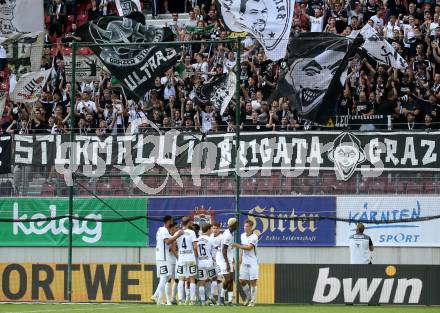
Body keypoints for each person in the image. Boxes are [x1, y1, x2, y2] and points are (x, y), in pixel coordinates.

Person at [154, 216, 184, 305]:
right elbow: (167, 242)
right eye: (171, 221)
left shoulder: (163, 230)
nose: (172, 222)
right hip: (163, 257)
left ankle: (159, 299)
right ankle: (156, 296)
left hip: (162, 257)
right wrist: (177, 235)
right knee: (165, 278)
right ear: (168, 221)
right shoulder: (163, 230)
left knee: (166, 277)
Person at [176, 216, 198, 305]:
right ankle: (192, 300)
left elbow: (174, 245)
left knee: (181, 278)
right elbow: (195, 246)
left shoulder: (178, 232)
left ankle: (180, 299)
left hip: (181, 258)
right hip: (191, 258)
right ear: (188, 223)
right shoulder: (192, 232)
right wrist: (196, 255)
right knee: (192, 278)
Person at [216, 217, 237, 306]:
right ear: (233, 225)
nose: (238, 225)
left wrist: (232, 259)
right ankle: (220, 299)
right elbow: (224, 250)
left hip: (228, 258)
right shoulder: (228, 235)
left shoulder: (230, 233)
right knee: (228, 279)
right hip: (223, 259)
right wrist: (227, 263)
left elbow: (228, 249)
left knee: (231, 279)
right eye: (237, 223)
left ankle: (229, 301)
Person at [197, 223, 215, 305]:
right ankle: (211, 297)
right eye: (211, 229)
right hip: (209, 262)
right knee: (214, 279)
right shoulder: (210, 239)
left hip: (201, 262)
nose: (212, 230)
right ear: (208, 230)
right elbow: (213, 251)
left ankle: (203, 301)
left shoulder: (198, 239)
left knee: (202, 282)